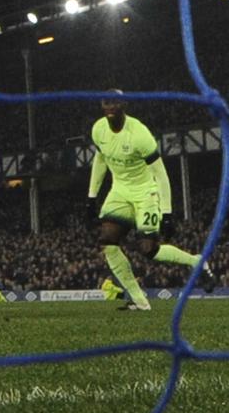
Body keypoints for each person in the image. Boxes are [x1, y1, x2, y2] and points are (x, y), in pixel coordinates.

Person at [87, 91, 215, 310]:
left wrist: (167, 212)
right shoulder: (98, 129)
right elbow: (100, 160)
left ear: (124, 105)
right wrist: (91, 197)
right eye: (105, 102)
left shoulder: (139, 134)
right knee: (107, 242)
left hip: (146, 191)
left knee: (149, 250)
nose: (109, 106)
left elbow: (161, 174)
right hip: (119, 190)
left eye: (114, 102)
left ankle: (197, 261)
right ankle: (139, 301)